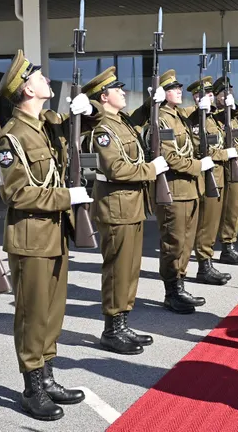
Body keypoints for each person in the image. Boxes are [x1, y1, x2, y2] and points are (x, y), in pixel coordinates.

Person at [0, 50, 100, 421]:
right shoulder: (13, 137)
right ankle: (32, 385)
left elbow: (74, 130)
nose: (45, 80)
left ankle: (48, 374)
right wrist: (65, 196)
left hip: (55, 234)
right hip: (31, 237)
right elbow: (16, 193)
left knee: (53, 312)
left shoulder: (46, 124)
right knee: (32, 314)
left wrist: (87, 113)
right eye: (38, 77)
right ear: (26, 88)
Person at [83, 67, 167, 355]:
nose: (123, 92)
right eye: (117, 90)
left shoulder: (121, 122)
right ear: (104, 97)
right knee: (118, 270)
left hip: (131, 206)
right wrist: (151, 169)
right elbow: (116, 168)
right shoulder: (103, 129)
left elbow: (140, 123)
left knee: (130, 270)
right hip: (116, 206)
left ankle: (122, 322)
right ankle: (111, 329)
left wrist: (151, 104)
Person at [150, 69, 214, 314]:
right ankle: (171, 291)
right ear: (162, 93)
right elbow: (169, 157)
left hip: (190, 189)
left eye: (179, 87)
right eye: (173, 88)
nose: (179, 91)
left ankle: (180, 284)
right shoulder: (162, 119)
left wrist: (203, 108)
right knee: (173, 243)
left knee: (186, 242)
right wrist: (199, 166)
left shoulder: (179, 116)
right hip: (174, 190)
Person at [186, 76, 234, 285]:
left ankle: (207, 262)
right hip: (205, 178)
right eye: (205, 94)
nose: (210, 97)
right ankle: (203, 266)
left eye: (211, 93)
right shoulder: (194, 118)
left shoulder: (213, 117)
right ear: (196, 97)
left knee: (213, 222)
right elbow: (200, 147)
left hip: (218, 177)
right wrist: (226, 154)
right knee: (205, 224)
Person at [214, 77, 238, 266]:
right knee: (225, 210)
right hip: (224, 168)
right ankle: (223, 247)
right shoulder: (214, 116)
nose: (228, 96)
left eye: (229, 92)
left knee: (236, 209)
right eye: (224, 93)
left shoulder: (234, 116)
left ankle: (230, 245)